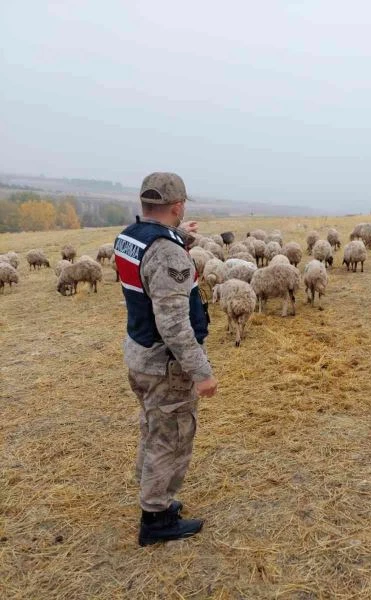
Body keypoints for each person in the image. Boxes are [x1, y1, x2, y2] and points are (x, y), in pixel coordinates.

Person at [114, 172, 218, 545]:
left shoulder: (129, 237)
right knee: (170, 437)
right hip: (165, 365)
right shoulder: (167, 253)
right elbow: (173, 324)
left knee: (153, 428)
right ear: (177, 206)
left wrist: (177, 235)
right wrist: (201, 371)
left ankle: (153, 496)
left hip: (140, 354)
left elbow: (150, 263)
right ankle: (156, 519)